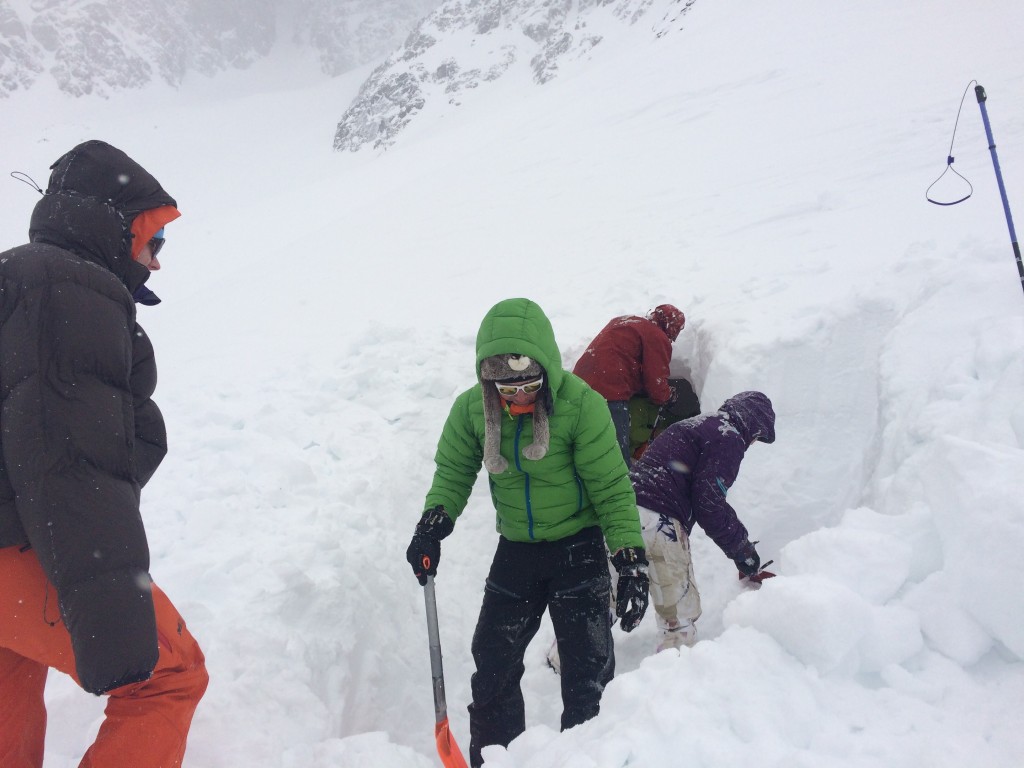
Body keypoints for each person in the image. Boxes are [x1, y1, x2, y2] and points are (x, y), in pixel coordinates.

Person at [0, 140, 208, 768]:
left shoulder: (17, 275)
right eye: (155, 242)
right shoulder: (71, 291)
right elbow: (71, 465)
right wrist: (112, 623)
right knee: (168, 674)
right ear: (118, 227)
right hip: (19, 543)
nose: (158, 263)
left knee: (10, 668)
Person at [405, 298, 650, 768]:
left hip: (577, 545)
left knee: (587, 670)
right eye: (505, 388)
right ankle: (498, 758)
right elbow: (453, 471)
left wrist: (629, 557)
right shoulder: (472, 410)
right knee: (492, 662)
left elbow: (611, 487)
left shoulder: (581, 404)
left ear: (547, 368)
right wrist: (432, 525)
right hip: (516, 547)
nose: (518, 397)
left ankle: (587, 756)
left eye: (530, 385)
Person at [630, 391, 775, 650]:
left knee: (602, 600)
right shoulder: (728, 436)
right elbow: (709, 504)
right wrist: (743, 552)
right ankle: (671, 678)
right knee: (678, 614)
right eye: (756, 437)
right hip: (659, 521)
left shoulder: (697, 424)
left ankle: (564, 664)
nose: (752, 444)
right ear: (752, 425)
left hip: (623, 513)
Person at [572, 304, 687, 464]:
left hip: (577, 384)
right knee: (616, 456)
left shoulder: (623, 321)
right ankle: (625, 485)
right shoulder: (657, 336)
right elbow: (656, 382)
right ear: (671, 327)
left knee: (583, 446)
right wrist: (668, 396)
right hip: (610, 391)